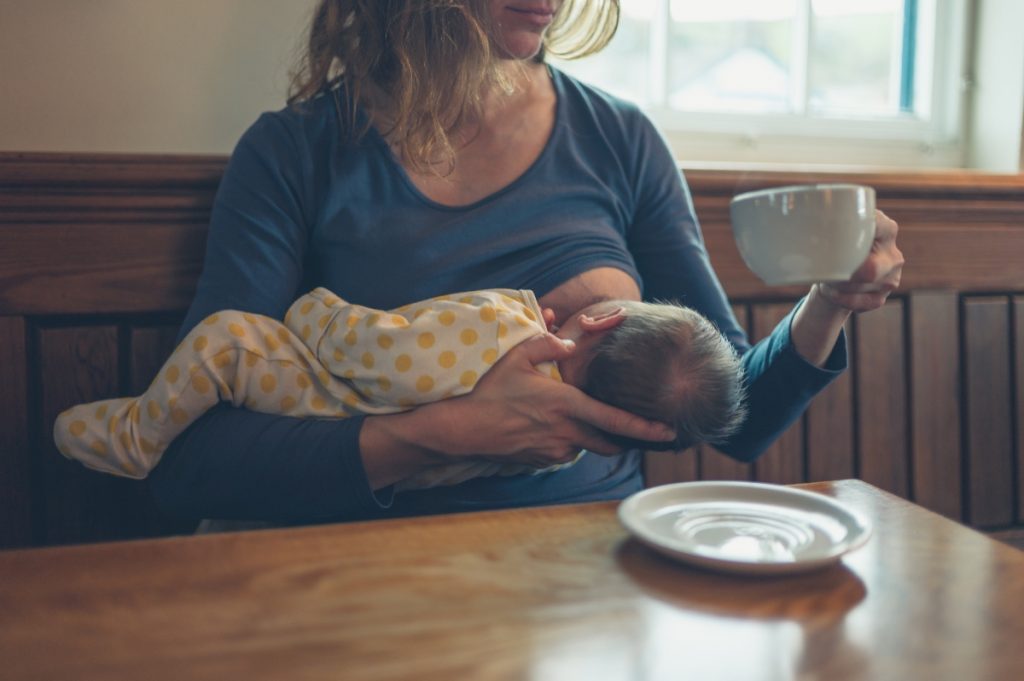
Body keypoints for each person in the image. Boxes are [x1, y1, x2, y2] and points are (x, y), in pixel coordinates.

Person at [145, 0, 903, 524]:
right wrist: (447, 432)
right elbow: (193, 462)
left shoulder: (619, 140)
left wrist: (830, 300)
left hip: (588, 560)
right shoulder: (295, 153)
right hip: (363, 564)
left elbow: (736, 417)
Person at [55, 287, 747, 490]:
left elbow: (379, 350)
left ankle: (136, 438)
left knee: (227, 338)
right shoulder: (562, 446)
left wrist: (315, 311)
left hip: (313, 388)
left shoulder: (496, 331)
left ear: (602, 318)